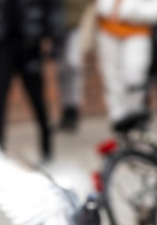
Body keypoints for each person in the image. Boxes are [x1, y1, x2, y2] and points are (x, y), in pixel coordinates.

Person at [0, 0, 63, 161]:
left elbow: (53, 7)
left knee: (37, 98)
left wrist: (51, 36)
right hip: (3, 44)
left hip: (29, 44)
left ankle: (47, 146)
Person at [94, 0, 157, 127]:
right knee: (111, 77)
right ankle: (117, 118)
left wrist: (130, 13)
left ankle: (134, 117)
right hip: (108, 29)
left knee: (134, 75)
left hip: (138, 31)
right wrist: (107, 9)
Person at [56, 0, 94, 132]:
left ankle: (73, 110)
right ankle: (66, 109)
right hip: (59, 26)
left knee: (73, 65)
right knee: (62, 69)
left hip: (77, 25)